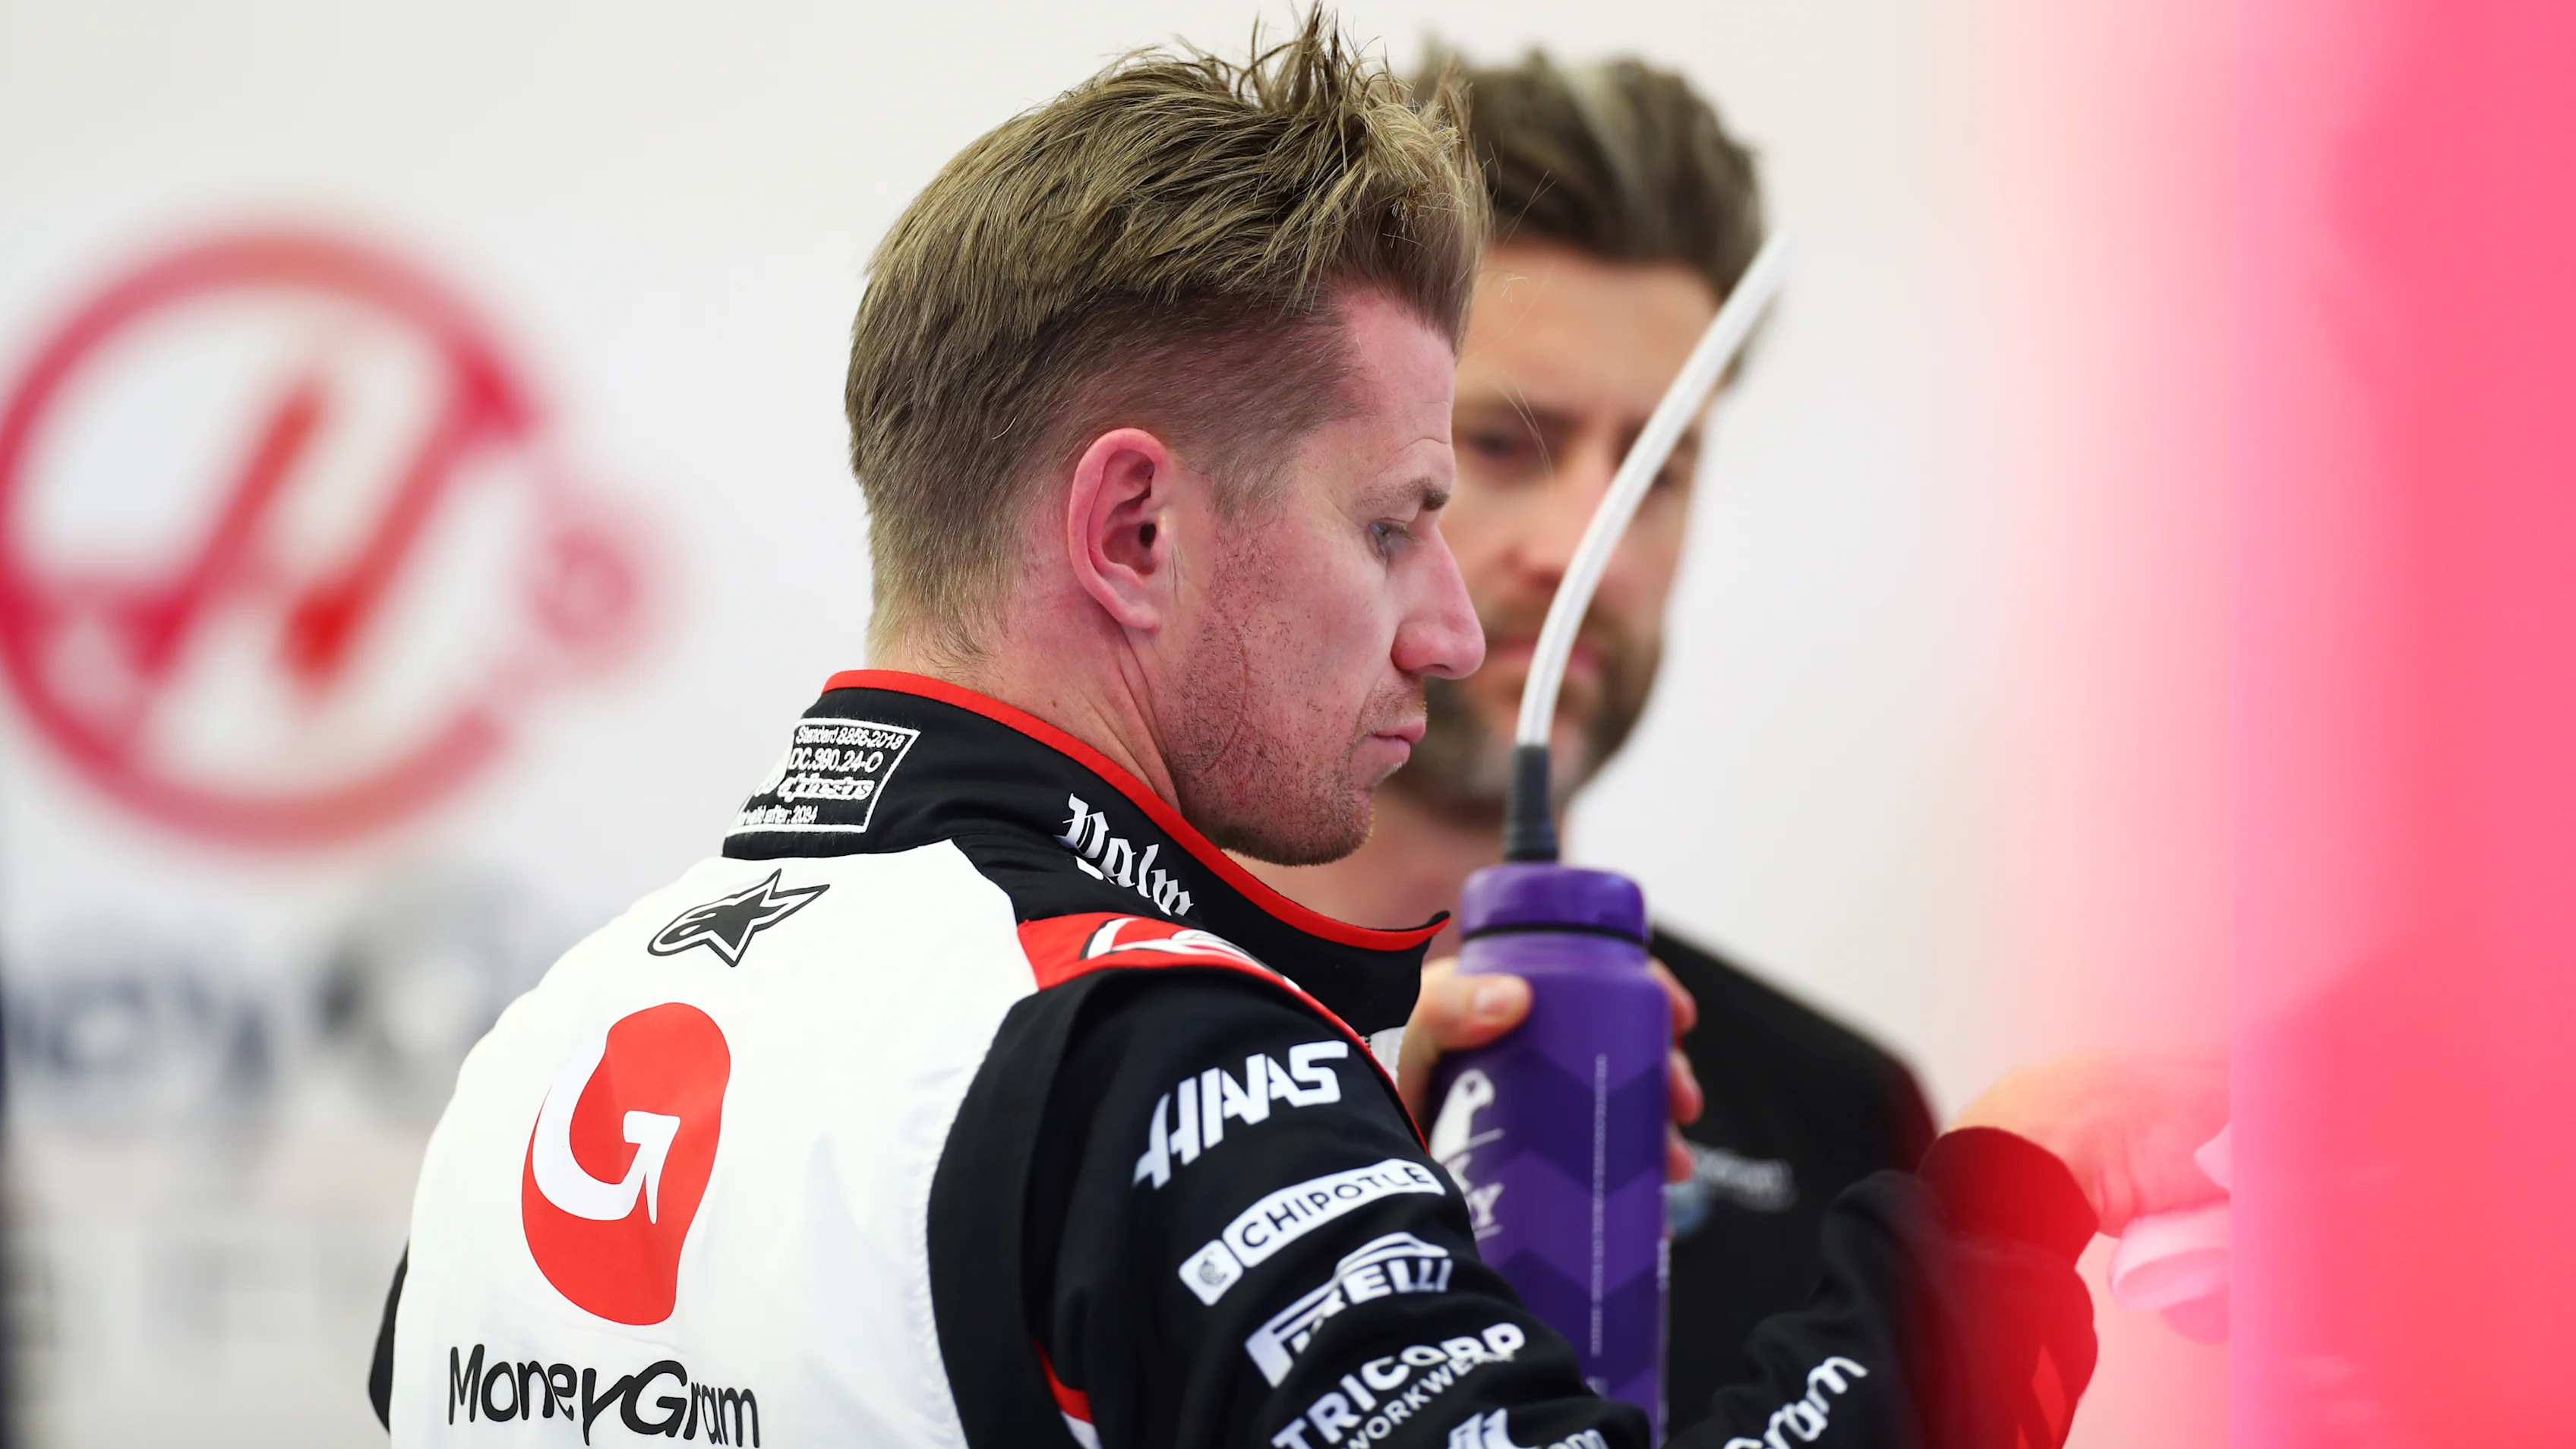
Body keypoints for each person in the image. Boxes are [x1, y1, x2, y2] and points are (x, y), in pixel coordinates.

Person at [370, 15, 2221, 1448]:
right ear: (1133, 531)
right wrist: (2002, 1211)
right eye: (1402, 515)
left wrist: (1338, 1179)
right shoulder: (1152, 1057)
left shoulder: (556, 1035)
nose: (1457, 608)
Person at [1237, 52, 1934, 1436]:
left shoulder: (1831, 1115)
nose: (1586, 551)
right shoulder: (1075, 1061)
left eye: (1657, 470)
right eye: (1503, 445)